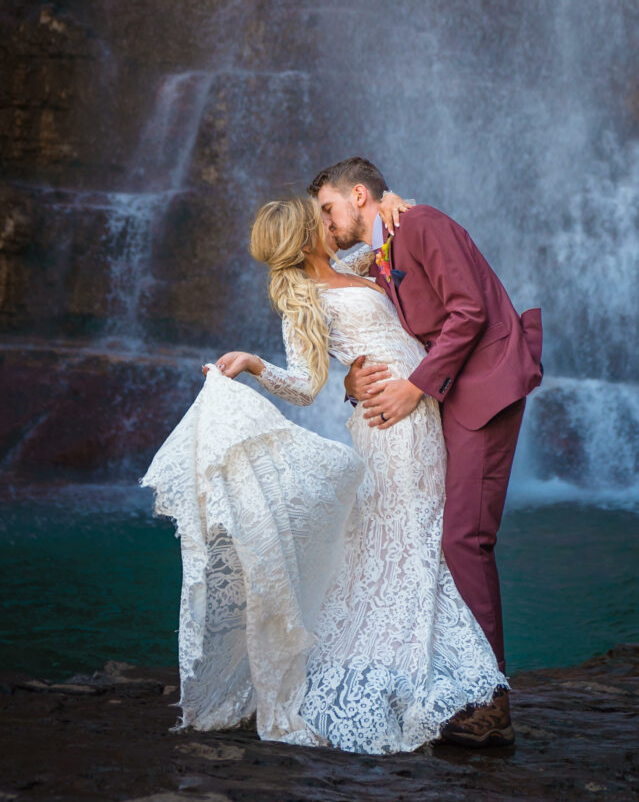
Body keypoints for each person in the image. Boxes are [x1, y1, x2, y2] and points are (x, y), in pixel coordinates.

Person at [141, 196, 508, 755]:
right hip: (392, 427)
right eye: (318, 219)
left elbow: (381, 232)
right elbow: (308, 386)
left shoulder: (358, 265)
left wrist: (394, 201)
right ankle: (447, 685)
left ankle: (458, 685)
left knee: (419, 539)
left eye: (327, 211)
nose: (327, 221)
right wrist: (258, 366)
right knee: (416, 537)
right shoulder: (303, 300)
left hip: (419, 411)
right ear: (304, 236)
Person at [308, 157, 543, 745]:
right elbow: (380, 329)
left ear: (358, 195)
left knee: (465, 537)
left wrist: (415, 387)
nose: (327, 224)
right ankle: (461, 683)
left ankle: (488, 703)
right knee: (452, 536)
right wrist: (349, 382)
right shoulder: (385, 243)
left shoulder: (421, 225)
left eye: (329, 209)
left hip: (483, 386)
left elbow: (470, 311)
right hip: (453, 393)